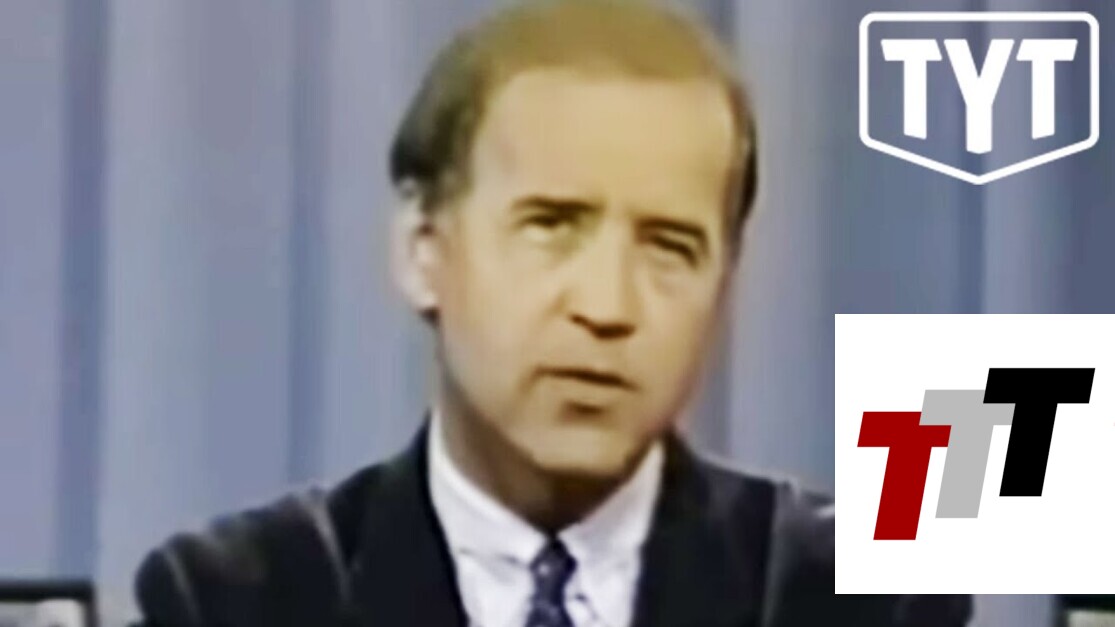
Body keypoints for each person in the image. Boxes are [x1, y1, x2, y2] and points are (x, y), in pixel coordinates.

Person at [132, 1, 971, 625]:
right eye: (550, 227)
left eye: (669, 246)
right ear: (423, 250)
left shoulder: (857, 599)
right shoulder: (241, 599)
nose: (606, 307)